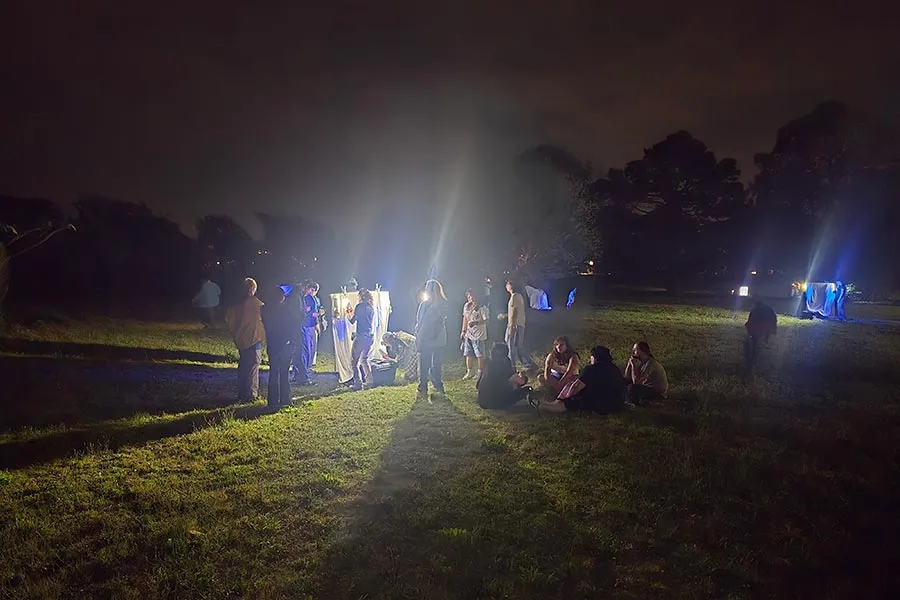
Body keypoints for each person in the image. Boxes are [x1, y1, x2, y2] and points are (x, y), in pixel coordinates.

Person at [538, 345, 625, 414]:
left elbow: (575, 387)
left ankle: (541, 406)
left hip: (601, 405)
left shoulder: (591, 369)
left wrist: (565, 398)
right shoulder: (614, 368)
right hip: (617, 404)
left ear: (594, 357)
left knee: (571, 401)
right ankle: (547, 403)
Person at [225, 277, 265, 401]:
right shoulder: (258, 305)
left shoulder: (236, 305)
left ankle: (242, 392)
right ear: (253, 289)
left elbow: (230, 321)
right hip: (254, 339)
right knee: (253, 366)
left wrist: (236, 333)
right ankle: (251, 394)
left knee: (243, 366)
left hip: (241, 340)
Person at [261, 286, 300, 409]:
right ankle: (285, 399)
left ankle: (272, 400)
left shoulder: (265, 310)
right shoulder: (286, 311)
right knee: (284, 373)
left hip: (273, 344)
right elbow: (294, 324)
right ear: (282, 297)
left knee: (273, 373)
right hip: (285, 345)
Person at [415, 279, 449, 398]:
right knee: (428, 363)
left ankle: (432, 384)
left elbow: (428, 322)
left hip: (433, 338)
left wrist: (421, 335)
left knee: (432, 363)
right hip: (430, 338)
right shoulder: (426, 305)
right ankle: (428, 385)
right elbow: (420, 321)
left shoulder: (439, 305)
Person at [477, 342, 533, 409]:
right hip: (495, 401)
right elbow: (508, 386)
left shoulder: (487, 362)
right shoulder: (504, 364)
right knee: (527, 389)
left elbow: (477, 385)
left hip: (482, 401)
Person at [497, 279, 537, 369]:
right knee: (518, 346)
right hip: (519, 324)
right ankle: (529, 363)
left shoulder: (514, 297)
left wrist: (512, 326)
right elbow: (514, 312)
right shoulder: (519, 296)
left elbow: (514, 312)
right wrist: (504, 315)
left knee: (510, 346)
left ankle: (512, 367)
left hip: (514, 325)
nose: (506, 286)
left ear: (511, 286)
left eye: (507, 284)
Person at [347, 287, 376, 389]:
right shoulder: (371, 308)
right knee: (364, 359)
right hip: (369, 337)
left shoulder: (359, 307)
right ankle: (369, 381)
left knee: (354, 362)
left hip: (360, 337)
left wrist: (349, 314)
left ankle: (358, 383)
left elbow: (352, 321)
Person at [460, 288, 490, 380]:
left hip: (478, 335)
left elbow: (486, 320)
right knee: (468, 353)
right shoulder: (466, 306)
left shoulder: (482, 307)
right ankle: (469, 371)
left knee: (479, 354)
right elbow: (465, 318)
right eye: (468, 296)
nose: (470, 297)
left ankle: (480, 372)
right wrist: (463, 331)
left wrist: (476, 323)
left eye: (471, 295)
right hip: (469, 334)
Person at [540, 336, 580, 400]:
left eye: (562, 345)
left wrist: (559, 384)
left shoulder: (573, 356)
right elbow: (547, 370)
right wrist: (548, 382)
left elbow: (569, 372)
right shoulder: (551, 356)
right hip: (555, 376)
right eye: (557, 344)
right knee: (541, 378)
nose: (558, 346)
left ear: (567, 346)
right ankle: (550, 393)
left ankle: (561, 396)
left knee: (570, 385)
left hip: (570, 377)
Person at [296, 281, 320, 385]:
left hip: (303, 326)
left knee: (302, 351)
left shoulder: (301, 297)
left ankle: (299, 375)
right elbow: (302, 312)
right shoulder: (301, 298)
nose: (309, 291)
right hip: (303, 326)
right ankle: (303, 377)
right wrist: (308, 312)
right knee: (304, 351)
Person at [744, 296, 777, 372]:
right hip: (762, 329)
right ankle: (752, 363)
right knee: (755, 347)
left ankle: (751, 364)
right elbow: (773, 321)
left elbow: (750, 323)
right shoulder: (768, 309)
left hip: (758, 330)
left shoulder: (756, 310)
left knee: (755, 347)